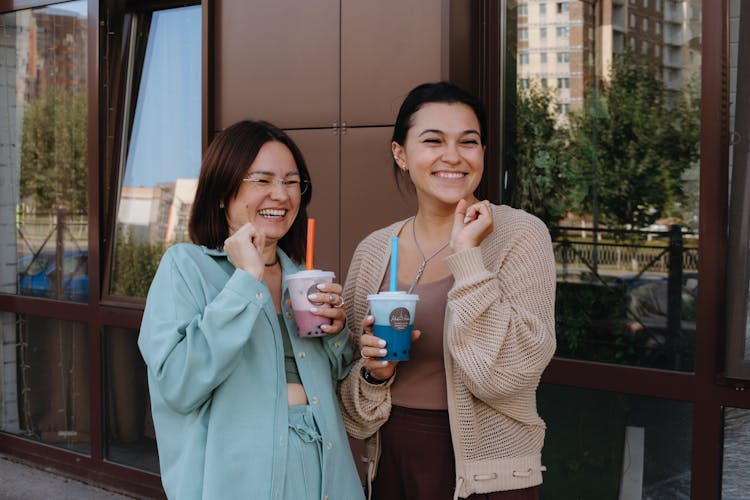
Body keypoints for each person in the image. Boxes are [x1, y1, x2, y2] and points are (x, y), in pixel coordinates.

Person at [339, 82, 556, 500]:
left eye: (468, 142)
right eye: (433, 141)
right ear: (400, 154)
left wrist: (468, 257)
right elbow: (351, 405)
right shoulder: (374, 250)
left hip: (491, 475)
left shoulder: (520, 235)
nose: (453, 156)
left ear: (483, 154)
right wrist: (373, 374)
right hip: (391, 463)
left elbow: (509, 377)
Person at [138, 120, 364, 500]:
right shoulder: (186, 267)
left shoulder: (301, 277)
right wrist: (245, 279)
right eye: (262, 180)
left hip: (326, 477)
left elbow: (338, 378)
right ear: (223, 191)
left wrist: (338, 334)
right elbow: (178, 383)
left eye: (292, 182)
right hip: (238, 483)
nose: (281, 195)